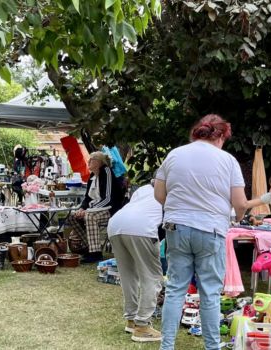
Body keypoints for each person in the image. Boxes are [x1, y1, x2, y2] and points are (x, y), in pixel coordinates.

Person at [155, 114, 248, 350]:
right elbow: (240, 202)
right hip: (211, 229)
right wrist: (238, 217)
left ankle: (166, 346)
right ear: (220, 136)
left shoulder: (174, 155)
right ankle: (212, 347)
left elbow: (159, 195)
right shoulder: (227, 160)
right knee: (210, 293)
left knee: (176, 289)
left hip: (176, 227)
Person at [107, 182, 164, 343]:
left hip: (116, 224)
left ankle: (131, 320)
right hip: (142, 228)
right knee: (152, 277)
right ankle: (142, 326)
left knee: (128, 275)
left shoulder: (144, 189)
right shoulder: (173, 189)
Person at [69, 151, 124, 263]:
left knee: (90, 216)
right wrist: (81, 209)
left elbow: (108, 199)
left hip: (111, 209)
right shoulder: (92, 176)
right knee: (73, 217)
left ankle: (95, 253)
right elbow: (87, 198)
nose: (89, 161)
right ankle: (88, 247)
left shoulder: (106, 171)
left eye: (92, 159)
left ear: (100, 162)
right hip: (96, 209)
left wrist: (88, 210)